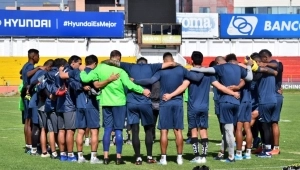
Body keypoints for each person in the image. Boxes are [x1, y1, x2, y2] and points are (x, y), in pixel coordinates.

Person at [162, 51, 240, 164]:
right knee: (204, 130)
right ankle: (203, 156)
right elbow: (220, 86)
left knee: (194, 131)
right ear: (202, 60)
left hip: (193, 107)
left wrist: (170, 95)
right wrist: (233, 93)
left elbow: (183, 87)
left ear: (192, 61)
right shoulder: (208, 74)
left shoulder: (190, 73)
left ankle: (197, 156)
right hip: (204, 107)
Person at [101, 56, 178, 165]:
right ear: (146, 63)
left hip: (131, 103)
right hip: (145, 102)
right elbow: (170, 64)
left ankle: (138, 158)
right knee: (148, 130)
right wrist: (179, 66)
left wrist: (101, 63)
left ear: (137, 62)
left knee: (135, 131)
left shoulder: (129, 66)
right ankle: (149, 157)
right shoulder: (152, 67)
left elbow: (111, 62)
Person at [80, 50, 151, 165]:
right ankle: (118, 157)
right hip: (119, 103)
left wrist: (83, 71)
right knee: (118, 129)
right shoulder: (120, 71)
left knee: (107, 129)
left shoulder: (99, 68)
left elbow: (85, 79)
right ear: (119, 59)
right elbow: (130, 85)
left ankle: (106, 157)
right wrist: (143, 90)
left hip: (106, 102)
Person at [133, 52, 204, 165]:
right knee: (178, 131)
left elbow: (150, 81)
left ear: (164, 61)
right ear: (172, 59)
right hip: (178, 103)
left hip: (165, 102)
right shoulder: (181, 70)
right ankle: (179, 158)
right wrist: (204, 69)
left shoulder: (161, 71)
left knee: (164, 131)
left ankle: (164, 159)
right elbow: (196, 77)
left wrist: (135, 81)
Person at [191, 56, 253, 162]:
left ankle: (231, 156)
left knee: (228, 130)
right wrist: (249, 66)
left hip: (225, 101)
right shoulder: (238, 68)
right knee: (227, 129)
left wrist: (192, 68)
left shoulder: (221, 67)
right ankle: (223, 153)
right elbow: (249, 78)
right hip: (237, 102)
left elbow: (205, 70)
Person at [259, 49, 283, 155]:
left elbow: (276, 65)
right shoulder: (271, 66)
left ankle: (273, 148)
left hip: (273, 96)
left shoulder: (276, 64)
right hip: (274, 96)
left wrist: (263, 64)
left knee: (271, 123)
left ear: (265, 57)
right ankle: (271, 146)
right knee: (270, 123)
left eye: (261, 59)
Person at [28, 59, 54, 156]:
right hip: (37, 102)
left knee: (37, 125)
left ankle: (37, 147)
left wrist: (29, 91)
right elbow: (35, 82)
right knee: (38, 126)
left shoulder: (38, 72)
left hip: (33, 101)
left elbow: (31, 82)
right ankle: (34, 149)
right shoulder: (43, 73)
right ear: (49, 67)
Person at [43, 58, 68, 159]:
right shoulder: (57, 74)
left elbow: (41, 85)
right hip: (55, 105)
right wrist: (54, 94)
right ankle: (57, 152)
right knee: (56, 130)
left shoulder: (46, 73)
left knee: (51, 130)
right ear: (61, 66)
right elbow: (59, 89)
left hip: (48, 104)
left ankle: (54, 152)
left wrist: (48, 95)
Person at [20, 49, 44, 153]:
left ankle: (28, 145)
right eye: (38, 56)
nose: (39, 58)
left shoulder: (25, 65)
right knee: (29, 121)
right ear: (33, 56)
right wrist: (38, 68)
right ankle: (30, 145)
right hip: (27, 92)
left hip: (25, 92)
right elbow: (28, 74)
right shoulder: (29, 66)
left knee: (27, 121)